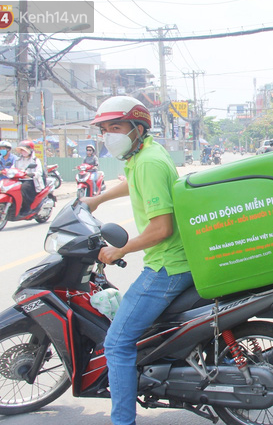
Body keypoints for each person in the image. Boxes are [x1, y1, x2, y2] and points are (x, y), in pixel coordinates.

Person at [80, 96, 192, 425]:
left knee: (116, 343)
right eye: (104, 130)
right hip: (173, 261)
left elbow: (161, 228)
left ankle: (122, 422)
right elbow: (135, 185)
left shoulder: (148, 162)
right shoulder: (143, 155)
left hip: (168, 267)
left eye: (116, 127)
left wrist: (120, 250)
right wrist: (97, 199)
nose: (109, 135)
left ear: (138, 128)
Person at [14, 140, 44, 214]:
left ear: (30, 150)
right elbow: (13, 168)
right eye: (22, 150)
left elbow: (39, 172)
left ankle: (26, 208)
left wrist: (32, 174)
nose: (23, 152)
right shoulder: (17, 160)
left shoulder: (35, 160)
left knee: (23, 189)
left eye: (25, 150)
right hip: (18, 179)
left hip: (31, 181)